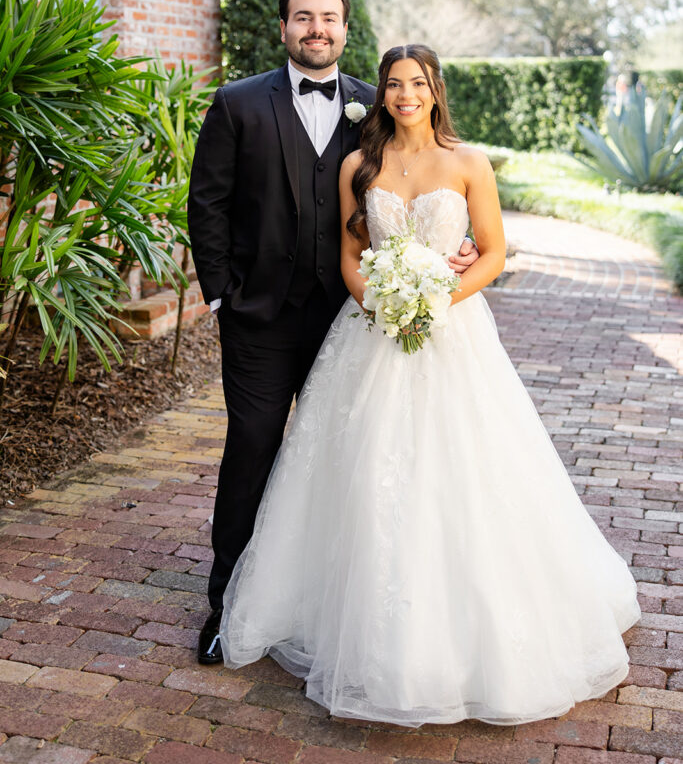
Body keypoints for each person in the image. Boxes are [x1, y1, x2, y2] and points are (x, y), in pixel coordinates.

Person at [218, 43, 641, 727]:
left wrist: (437, 298)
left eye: (416, 83)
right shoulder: (360, 165)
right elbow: (351, 254)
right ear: (381, 93)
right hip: (371, 333)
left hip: (451, 333)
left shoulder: (469, 163)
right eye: (393, 84)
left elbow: (495, 252)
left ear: (435, 90)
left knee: (465, 470)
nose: (404, 94)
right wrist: (377, 303)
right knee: (361, 469)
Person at [187, 0, 479, 664]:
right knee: (253, 445)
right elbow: (208, 204)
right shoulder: (236, 104)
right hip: (257, 316)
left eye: (328, 19)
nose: (316, 29)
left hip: (352, 319)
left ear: (347, 30)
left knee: (343, 458)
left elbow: (416, 183)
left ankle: (323, 598)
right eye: (302, 18)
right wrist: (221, 296)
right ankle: (228, 605)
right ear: (283, 26)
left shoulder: (371, 106)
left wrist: (451, 246)